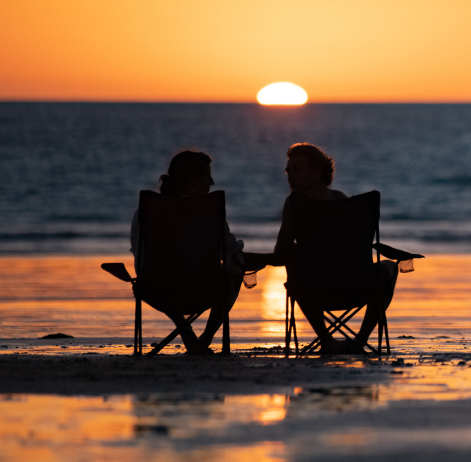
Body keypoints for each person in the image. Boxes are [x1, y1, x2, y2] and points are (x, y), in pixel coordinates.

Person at [250, 143, 397, 354]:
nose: (290, 176)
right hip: (358, 287)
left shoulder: (295, 204)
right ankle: (359, 340)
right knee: (389, 267)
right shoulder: (344, 202)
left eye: (298, 170)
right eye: (288, 171)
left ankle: (327, 340)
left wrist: (248, 258)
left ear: (317, 171)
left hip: (314, 290)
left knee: (294, 263)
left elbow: (280, 256)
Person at [131, 150, 255, 354]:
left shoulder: (148, 210)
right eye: (208, 175)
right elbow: (232, 255)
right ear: (193, 181)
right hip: (205, 290)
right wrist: (264, 259)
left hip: (155, 290)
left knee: (171, 283)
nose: (212, 182)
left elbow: (138, 254)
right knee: (234, 273)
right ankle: (205, 338)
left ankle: (188, 336)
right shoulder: (209, 211)